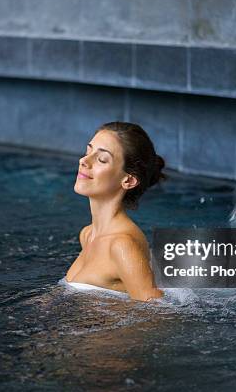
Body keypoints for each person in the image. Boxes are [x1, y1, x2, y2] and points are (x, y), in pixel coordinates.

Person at [65, 121, 166, 302]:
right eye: (88, 151)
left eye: (101, 159)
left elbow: (159, 314)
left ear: (128, 181)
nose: (84, 161)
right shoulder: (87, 234)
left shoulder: (121, 245)